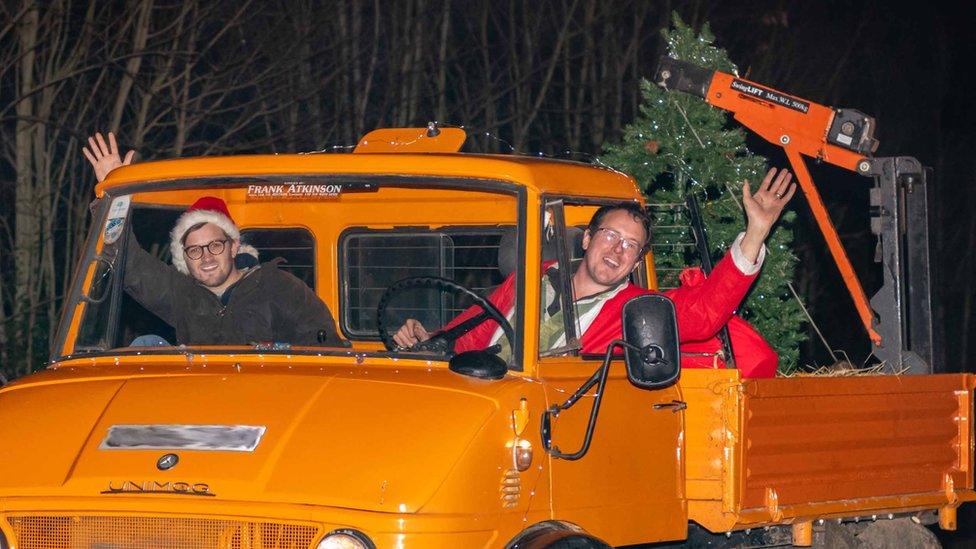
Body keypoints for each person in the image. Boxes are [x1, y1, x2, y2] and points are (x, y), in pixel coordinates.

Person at [393, 168, 796, 361]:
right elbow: (470, 337)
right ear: (587, 239)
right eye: (610, 236)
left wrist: (756, 232)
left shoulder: (635, 310)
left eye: (631, 247)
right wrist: (426, 339)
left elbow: (704, 312)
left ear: (637, 261)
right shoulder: (528, 280)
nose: (618, 250)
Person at [83, 132, 342, 347]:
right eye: (194, 250)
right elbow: (129, 264)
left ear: (233, 246)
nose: (206, 256)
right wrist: (115, 197)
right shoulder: (183, 294)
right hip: (200, 400)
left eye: (215, 245)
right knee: (146, 344)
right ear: (184, 258)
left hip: (267, 401)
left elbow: (325, 348)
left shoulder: (278, 286)